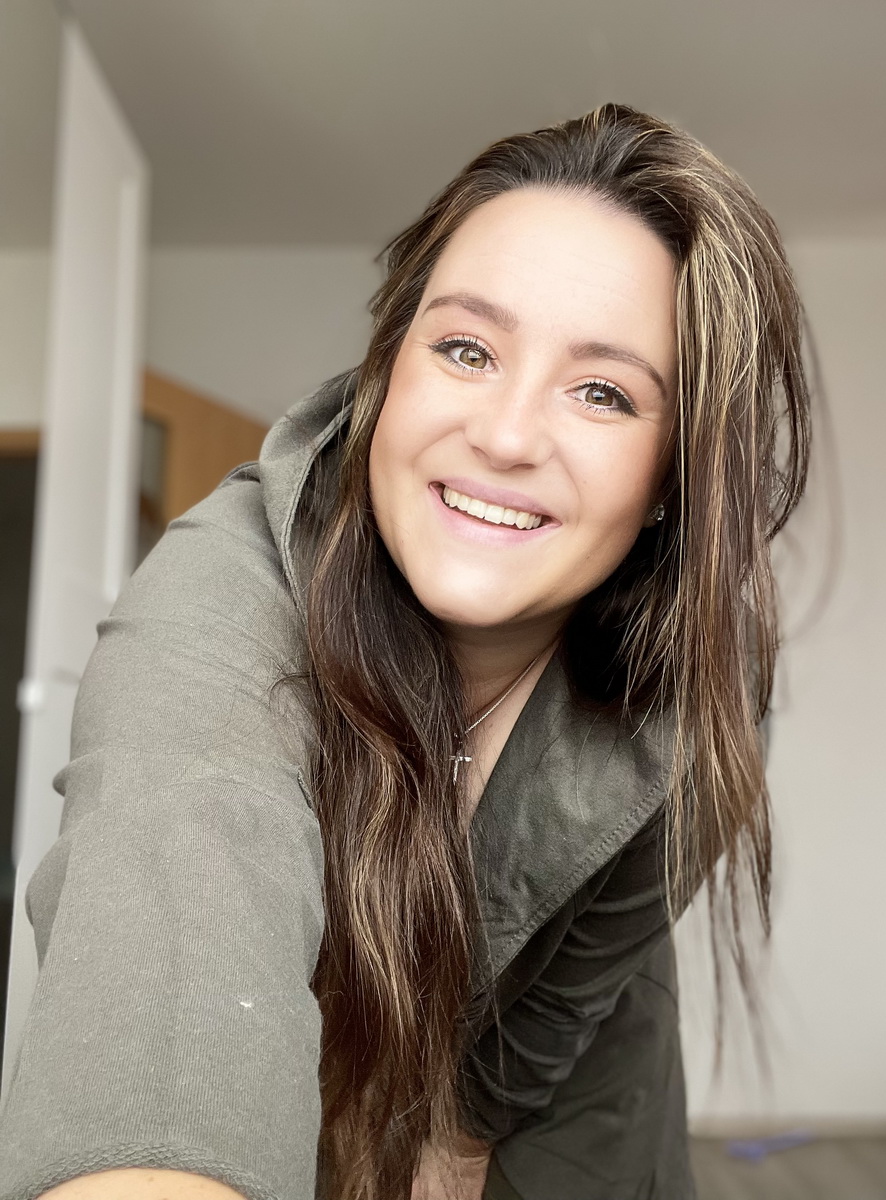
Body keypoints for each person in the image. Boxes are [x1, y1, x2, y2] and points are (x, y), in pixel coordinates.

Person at [0, 103, 809, 1200]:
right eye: (467, 349)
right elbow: (170, 922)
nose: (506, 435)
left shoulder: (703, 662)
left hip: (576, 1109)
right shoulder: (219, 597)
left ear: (673, 479)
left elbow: (568, 993)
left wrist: (463, 1139)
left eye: (604, 393)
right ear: (388, 369)